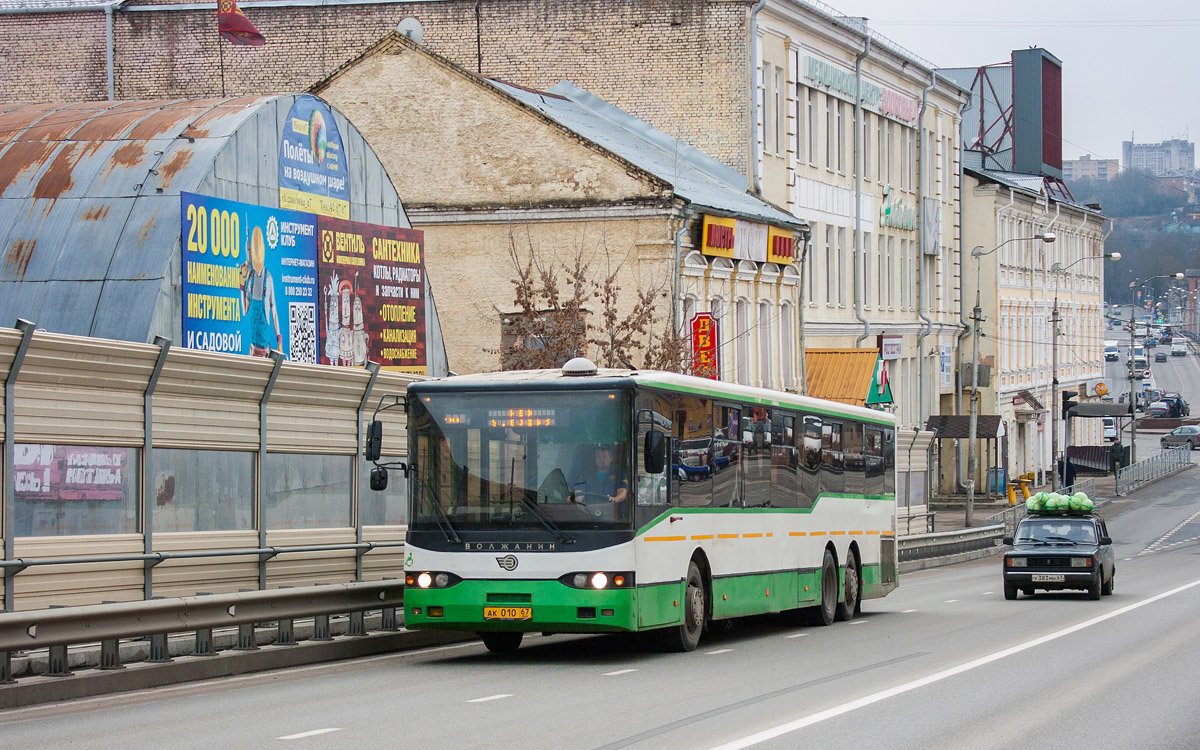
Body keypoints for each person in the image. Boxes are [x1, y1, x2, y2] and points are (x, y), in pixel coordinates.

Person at [240, 225, 282, 357]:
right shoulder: (251, 279)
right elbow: (245, 311)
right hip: (252, 348)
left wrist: (279, 340)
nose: (257, 271)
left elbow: (274, 313)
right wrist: (241, 286)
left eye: (258, 268)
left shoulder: (268, 279)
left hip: (265, 349)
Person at [568, 444, 629, 509]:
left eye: (604, 456)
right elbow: (579, 493)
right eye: (598, 457)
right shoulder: (585, 475)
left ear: (611, 458)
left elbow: (622, 493)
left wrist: (614, 499)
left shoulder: (619, 474)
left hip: (612, 513)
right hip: (589, 512)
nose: (601, 460)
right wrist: (574, 499)